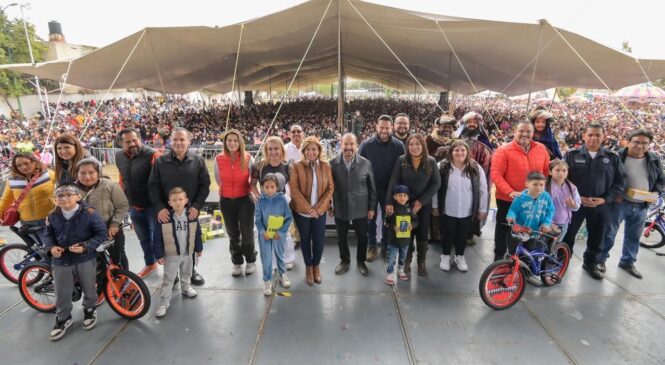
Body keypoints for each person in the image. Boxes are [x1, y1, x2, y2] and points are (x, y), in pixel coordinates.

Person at [42, 183, 108, 341]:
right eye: (60, 196)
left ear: (78, 197)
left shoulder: (90, 213)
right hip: (61, 261)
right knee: (61, 291)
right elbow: (48, 235)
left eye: (69, 195)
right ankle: (63, 317)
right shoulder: (52, 216)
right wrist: (51, 248)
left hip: (84, 258)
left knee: (89, 286)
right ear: (55, 199)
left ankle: (90, 309)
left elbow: (101, 233)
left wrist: (86, 247)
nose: (64, 198)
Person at [599, 129, 665, 279]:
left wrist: (655, 192)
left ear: (649, 145)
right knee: (609, 233)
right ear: (628, 142)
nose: (639, 146)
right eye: (636, 142)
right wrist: (615, 194)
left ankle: (627, 262)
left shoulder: (654, 159)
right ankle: (600, 260)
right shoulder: (617, 157)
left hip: (642, 204)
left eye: (644, 143)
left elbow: (661, 179)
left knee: (634, 236)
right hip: (619, 203)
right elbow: (607, 178)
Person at [562, 123, 625, 280]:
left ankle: (591, 263)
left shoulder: (612, 157)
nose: (594, 138)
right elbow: (562, 179)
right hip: (575, 204)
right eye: (590, 135)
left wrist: (605, 199)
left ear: (603, 137)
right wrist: (576, 197)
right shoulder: (571, 155)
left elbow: (620, 182)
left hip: (600, 204)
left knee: (598, 235)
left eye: (598, 135)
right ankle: (561, 260)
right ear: (584, 136)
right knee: (568, 234)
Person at [148, 127, 210, 285]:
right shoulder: (161, 161)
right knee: (170, 244)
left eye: (182, 139)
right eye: (175, 139)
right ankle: (172, 272)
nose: (178, 142)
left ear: (189, 141)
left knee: (188, 243)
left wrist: (196, 206)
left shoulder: (198, 161)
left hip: (190, 212)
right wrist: (160, 208)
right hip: (167, 213)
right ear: (170, 141)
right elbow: (153, 186)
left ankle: (191, 272)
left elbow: (205, 186)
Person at [490, 120, 550, 261]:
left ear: (533, 133)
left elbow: (546, 171)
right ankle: (499, 257)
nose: (525, 134)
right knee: (504, 228)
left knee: (529, 229)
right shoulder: (503, 150)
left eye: (528, 131)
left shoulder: (541, 149)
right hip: (508, 199)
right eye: (521, 131)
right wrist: (509, 191)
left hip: (534, 199)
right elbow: (496, 174)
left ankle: (522, 259)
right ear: (514, 132)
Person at [386, 133, 441, 276]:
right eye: (411, 144)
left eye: (417, 143)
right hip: (404, 204)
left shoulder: (431, 161)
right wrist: (389, 201)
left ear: (422, 145)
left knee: (422, 233)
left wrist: (422, 201)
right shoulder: (401, 160)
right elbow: (394, 180)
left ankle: (421, 262)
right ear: (407, 146)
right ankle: (406, 262)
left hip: (424, 204)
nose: (414, 147)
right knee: (406, 232)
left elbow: (436, 183)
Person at [115, 128, 162, 278]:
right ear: (122, 143)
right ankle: (150, 264)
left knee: (159, 239)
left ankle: (170, 272)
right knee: (143, 239)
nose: (132, 144)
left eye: (134, 140)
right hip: (133, 207)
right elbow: (123, 179)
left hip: (153, 207)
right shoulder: (119, 156)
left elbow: (162, 181)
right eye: (127, 141)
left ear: (140, 139)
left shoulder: (154, 155)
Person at [436, 140, 488, 272]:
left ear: (467, 152)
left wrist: (482, 209)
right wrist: (434, 205)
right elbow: (434, 188)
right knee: (447, 234)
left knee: (463, 235)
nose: (460, 153)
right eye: (456, 150)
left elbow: (483, 189)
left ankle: (460, 256)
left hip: (467, 210)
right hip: (448, 209)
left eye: (463, 150)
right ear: (451, 152)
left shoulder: (475, 167)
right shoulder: (441, 166)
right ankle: (445, 256)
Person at [359, 115, 405, 261]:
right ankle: (372, 246)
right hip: (370, 190)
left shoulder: (399, 146)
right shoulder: (366, 145)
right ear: (376, 127)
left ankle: (386, 246)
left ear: (392, 128)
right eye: (381, 127)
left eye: (387, 128)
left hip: (389, 190)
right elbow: (359, 168)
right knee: (370, 220)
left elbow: (401, 170)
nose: (384, 130)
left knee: (388, 220)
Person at [329, 133, 376, 276]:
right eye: (345, 144)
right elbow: (328, 188)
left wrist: (372, 207)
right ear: (341, 144)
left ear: (356, 145)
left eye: (351, 144)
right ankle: (345, 261)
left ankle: (361, 261)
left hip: (361, 207)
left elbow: (371, 187)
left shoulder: (366, 163)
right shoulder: (332, 164)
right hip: (340, 206)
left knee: (362, 237)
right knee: (341, 237)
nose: (348, 147)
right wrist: (329, 206)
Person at [290, 136, 334, 285]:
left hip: (319, 212)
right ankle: (308, 267)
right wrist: (309, 209)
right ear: (304, 151)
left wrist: (318, 209)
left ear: (319, 150)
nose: (311, 152)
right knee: (304, 239)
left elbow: (330, 189)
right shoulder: (296, 166)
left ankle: (316, 267)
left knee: (319, 240)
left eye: (314, 149)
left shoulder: (326, 166)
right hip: (302, 212)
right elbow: (294, 190)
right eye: (308, 149)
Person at [153, 187, 203, 318]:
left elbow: (197, 232)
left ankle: (186, 288)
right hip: (171, 255)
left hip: (187, 253)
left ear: (186, 200)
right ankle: (164, 302)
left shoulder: (192, 216)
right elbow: (157, 237)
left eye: (180, 199)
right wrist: (158, 255)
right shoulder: (165, 218)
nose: (178, 202)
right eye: (174, 200)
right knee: (168, 279)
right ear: (169, 203)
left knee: (187, 272)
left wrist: (199, 248)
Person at [214, 129, 257, 277]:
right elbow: (218, 180)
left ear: (240, 142)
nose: (232, 143)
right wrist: (228, 192)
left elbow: (253, 180)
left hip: (245, 200)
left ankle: (251, 260)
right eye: (229, 140)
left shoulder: (248, 158)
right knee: (233, 234)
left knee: (247, 233)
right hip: (226, 201)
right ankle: (237, 262)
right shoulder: (218, 159)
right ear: (225, 142)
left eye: (235, 140)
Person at [250, 136, 296, 270]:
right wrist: (258, 196)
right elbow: (252, 185)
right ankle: (273, 261)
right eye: (270, 149)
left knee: (284, 233)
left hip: (282, 204)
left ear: (281, 149)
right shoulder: (259, 165)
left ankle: (288, 258)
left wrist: (291, 202)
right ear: (266, 150)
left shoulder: (288, 166)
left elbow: (292, 186)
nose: (273, 152)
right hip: (265, 205)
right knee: (267, 234)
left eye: (276, 148)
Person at [76, 157, 130, 269]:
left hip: (110, 228)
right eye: (82, 173)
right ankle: (102, 285)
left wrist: (115, 224)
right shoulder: (71, 190)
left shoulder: (110, 186)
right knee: (95, 261)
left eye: (91, 172)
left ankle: (125, 283)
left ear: (98, 173)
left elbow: (122, 206)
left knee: (118, 258)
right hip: (86, 233)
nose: (87, 176)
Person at [0, 152, 55, 246]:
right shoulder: (12, 180)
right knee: (41, 249)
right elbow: (6, 199)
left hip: (49, 218)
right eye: (19, 165)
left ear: (34, 162)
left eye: (26, 163)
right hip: (27, 222)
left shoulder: (49, 175)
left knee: (51, 248)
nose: (23, 167)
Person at [255, 174, 293, 296]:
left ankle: (282, 274)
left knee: (280, 254)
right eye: (266, 187)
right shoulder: (260, 201)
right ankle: (267, 280)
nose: (269, 190)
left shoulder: (282, 200)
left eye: (272, 187)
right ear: (262, 187)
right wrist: (262, 232)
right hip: (265, 235)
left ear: (277, 187)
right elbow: (258, 220)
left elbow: (288, 218)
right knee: (266, 257)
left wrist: (281, 232)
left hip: (278, 234)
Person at [384, 185, 418, 285]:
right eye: (399, 195)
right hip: (393, 240)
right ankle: (390, 273)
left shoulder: (410, 210)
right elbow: (385, 222)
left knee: (403, 257)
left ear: (408, 197)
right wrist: (393, 227)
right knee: (391, 257)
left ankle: (400, 270)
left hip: (406, 240)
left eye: (404, 195)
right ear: (395, 197)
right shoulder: (391, 210)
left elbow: (416, 221)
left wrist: (412, 225)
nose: (402, 197)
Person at [546, 159, 581, 242]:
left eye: (564, 170)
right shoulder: (544, 187)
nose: (561, 173)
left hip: (563, 223)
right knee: (541, 247)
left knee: (554, 247)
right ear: (550, 172)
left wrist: (574, 206)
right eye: (557, 170)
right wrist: (548, 222)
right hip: (546, 222)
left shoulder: (572, 188)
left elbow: (577, 205)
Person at [284, 124, 304, 248]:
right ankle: (296, 237)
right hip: (289, 187)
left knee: (305, 212)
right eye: (293, 131)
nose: (296, 133)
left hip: (306, 187)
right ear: (289, 134)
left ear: (303, 133)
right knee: (293, 213)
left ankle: (306, 236)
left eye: (298, 131)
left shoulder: (307, 147)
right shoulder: (284, 149)